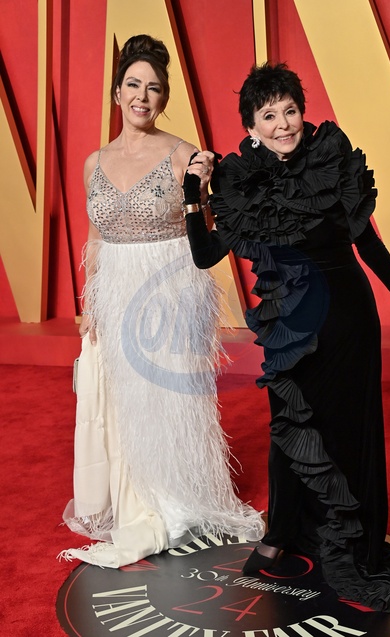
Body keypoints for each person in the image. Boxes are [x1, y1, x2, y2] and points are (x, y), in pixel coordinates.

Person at [182, 62, 390, 613]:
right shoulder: (242, 181)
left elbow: (368, 245)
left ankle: (351, 539)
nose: (283, 124)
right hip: (291, 323)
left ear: (303, 112)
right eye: (269, 115)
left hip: (348, 319)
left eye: (290, 110)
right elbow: (206, 255)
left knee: (349, 430)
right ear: (252, 127)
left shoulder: (331, 161)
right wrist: (193, 194)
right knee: (289, 425)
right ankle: (281, 533)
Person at [59, 35, 264, 569]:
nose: (141, 97)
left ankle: (172, 498)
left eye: (152, 88)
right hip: (113, 292)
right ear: (116, 93)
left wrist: (202, 189)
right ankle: (131, 500)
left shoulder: (183, 155)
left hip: (168, 294)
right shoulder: (93, 163)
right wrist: (91, 305)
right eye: (133, 85)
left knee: (166, 402)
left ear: (163, 98)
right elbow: (95, 239)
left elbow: (208, 234)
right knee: (120, 405)